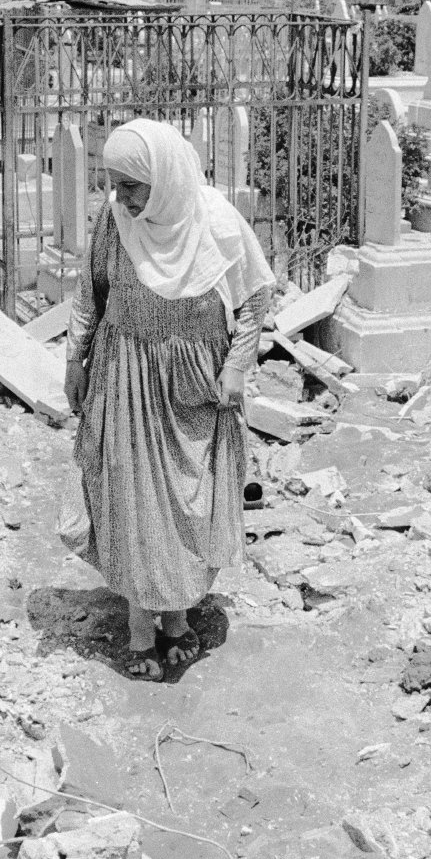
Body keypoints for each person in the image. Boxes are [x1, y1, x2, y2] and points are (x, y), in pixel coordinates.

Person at [64, 118, 275, 680]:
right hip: (127, 377)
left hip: (196, 384)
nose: (122, 198)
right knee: (137, 503)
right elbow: (90, 294)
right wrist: (73, 361)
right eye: (114, 184)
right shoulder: (114, 222)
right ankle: (139, 625)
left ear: (165, 177)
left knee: (188, 505)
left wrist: (235, 367)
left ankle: (178, 620)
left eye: (133, 185)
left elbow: (255, 300)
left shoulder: (218, 223)